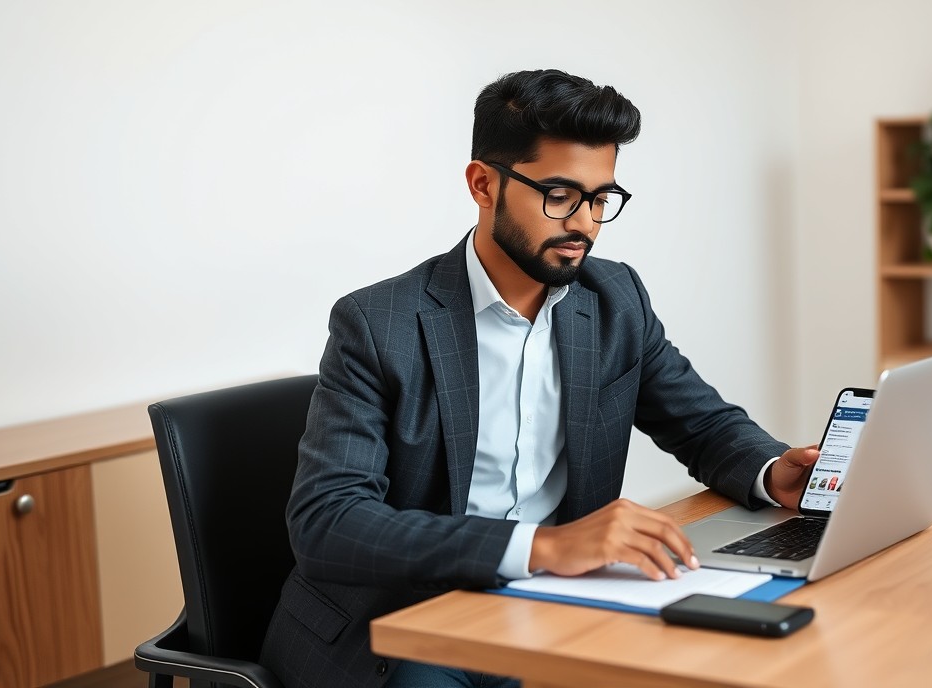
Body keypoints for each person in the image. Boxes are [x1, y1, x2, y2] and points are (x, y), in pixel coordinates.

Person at [259, 68, 821, 688]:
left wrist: (774, 471)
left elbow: (702, 424)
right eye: (559, 195)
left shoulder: (614, 300)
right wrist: (543, 547)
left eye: (601, 197)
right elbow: (328, 521)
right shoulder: (377, 324)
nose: (584, 223)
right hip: (407, 622)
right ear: (483, 185)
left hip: (559, 606)